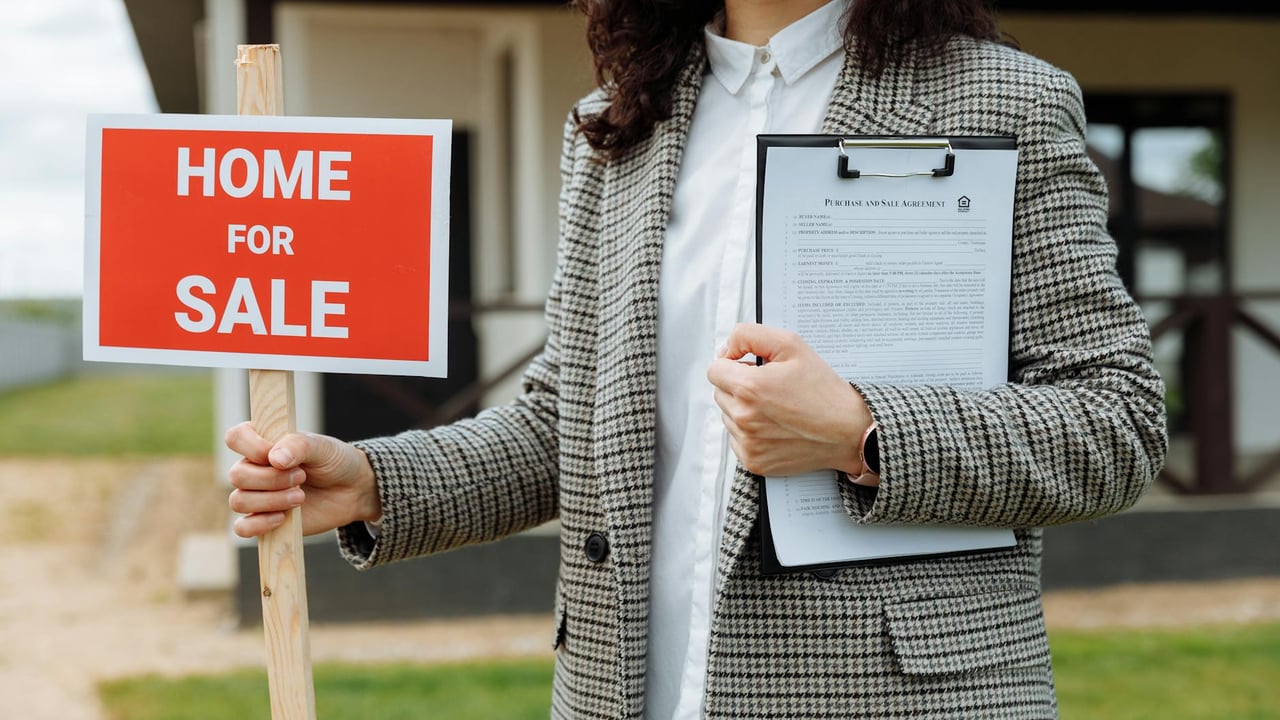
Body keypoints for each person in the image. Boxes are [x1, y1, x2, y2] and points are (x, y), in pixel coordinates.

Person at [226, 0, 1167, 717]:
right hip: (625, 687)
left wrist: (862, 432)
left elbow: (1114, 419)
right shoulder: (613, 127)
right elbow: (571, 422)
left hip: (898, 692)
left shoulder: (1006, 100)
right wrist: (374, 479)